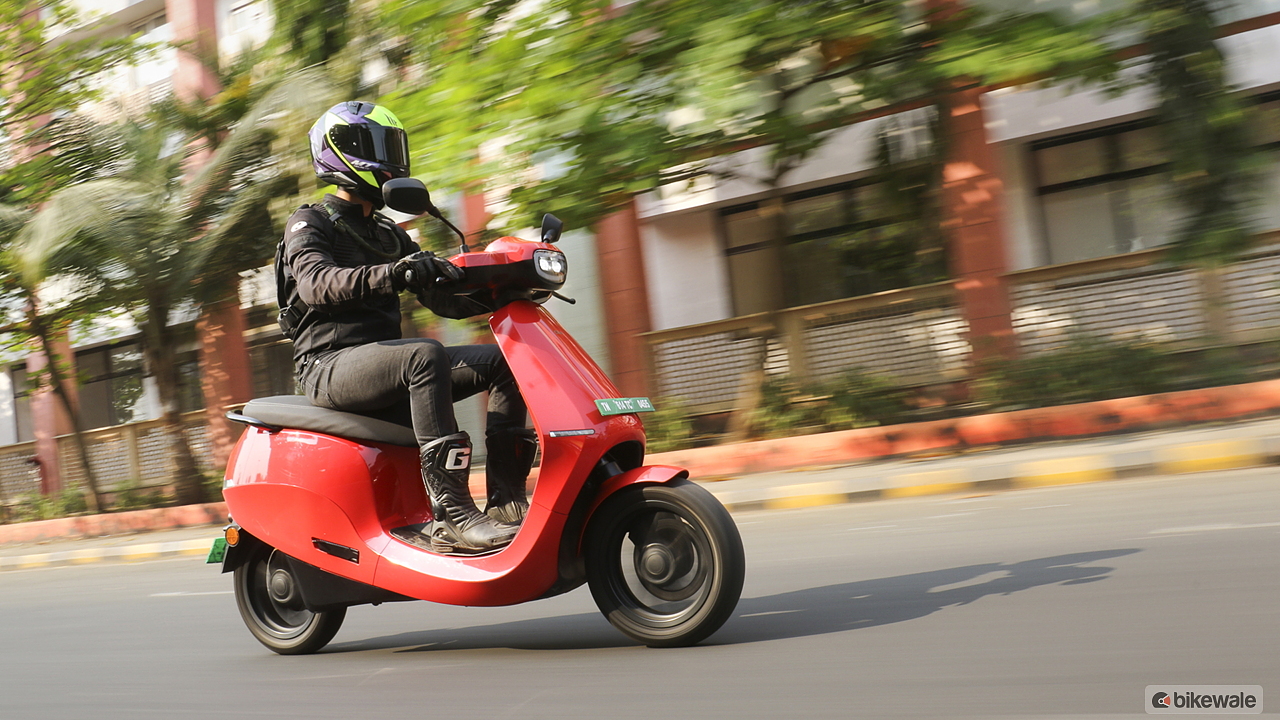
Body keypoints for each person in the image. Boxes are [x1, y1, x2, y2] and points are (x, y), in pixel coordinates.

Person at [275, 101, 538, 555]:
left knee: (503, 362)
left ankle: (507, 502)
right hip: (329, 367)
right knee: (424, 354)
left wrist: (506, 290)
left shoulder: (386, 232)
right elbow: (318, 285)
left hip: (383, 365)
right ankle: (451, 516)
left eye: (392, 145)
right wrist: (394, 273)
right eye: (376, 146)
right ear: (341, 153)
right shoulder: (308, 221)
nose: (390, 157)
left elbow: (442, 302)